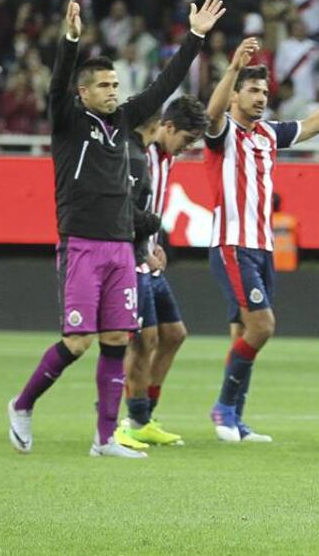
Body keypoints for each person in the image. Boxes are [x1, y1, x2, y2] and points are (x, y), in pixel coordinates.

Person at [7, 0, 223, 458]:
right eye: (103, 85)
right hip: (81, 244)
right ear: (83, 93)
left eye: (115, 84)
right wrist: (70, 40)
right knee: (77, 341)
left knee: (116, 339)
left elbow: (166, 83)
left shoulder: (124, 121)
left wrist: (195, 38)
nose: (112, 91)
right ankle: (22, 405)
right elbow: (59, 82)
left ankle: (105, 438)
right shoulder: (67, 121)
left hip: (121, 249)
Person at [205, 37, 319, 443]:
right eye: (253, 90)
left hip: (261, 247)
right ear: (236, 94)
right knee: (262, 327)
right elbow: (210, 114)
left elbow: (315, 124)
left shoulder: (269, 134)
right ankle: (223, 408)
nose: (262, 98)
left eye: (265, 91)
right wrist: (231, 70)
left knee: (243, 335)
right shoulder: (223, 132)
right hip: (231, 243)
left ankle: (235, 421)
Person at [116, 96, 210, 449]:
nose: (187, 148)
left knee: (174, 334)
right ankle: (129, 421)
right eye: (186, 140)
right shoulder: (140, 156)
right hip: (130, 258)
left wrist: (156, 244)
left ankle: (145, 414)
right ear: (167, 127)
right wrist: (143, 249)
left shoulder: (167, 157)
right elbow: (126, 211)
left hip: (148, 255)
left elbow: (149, 209)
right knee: (144, 341)